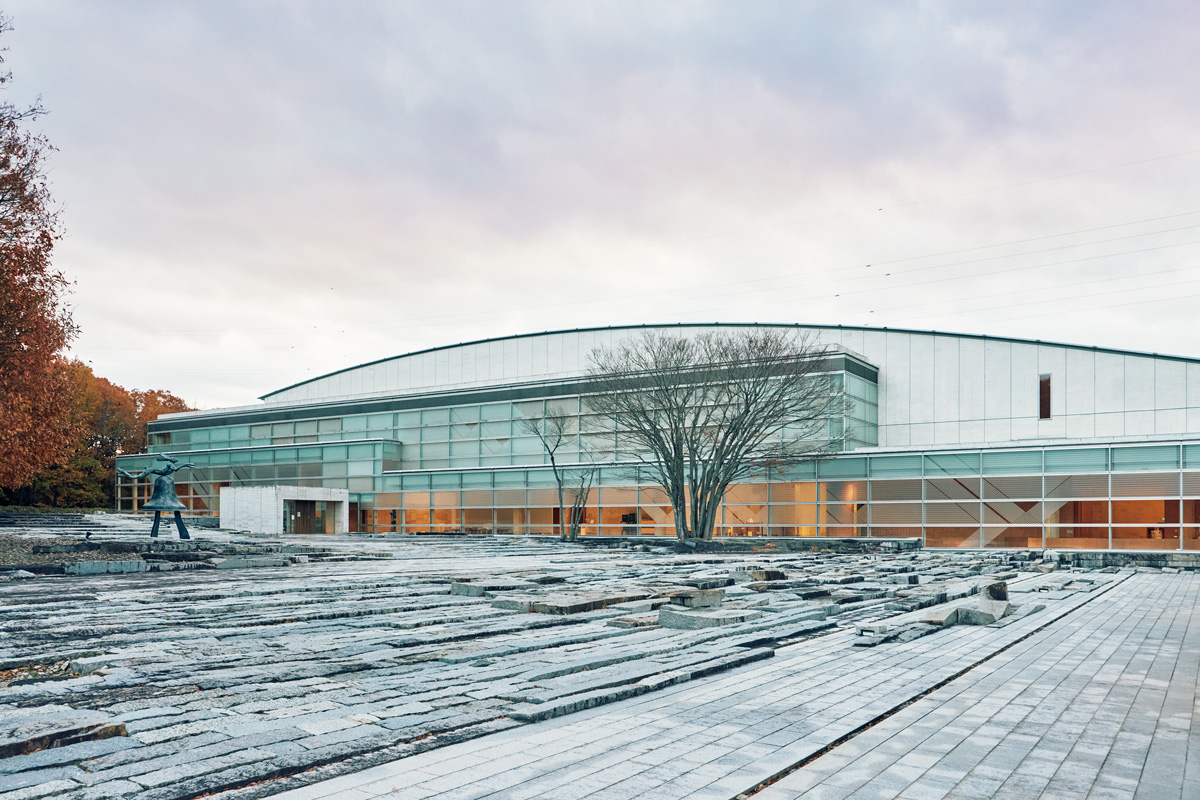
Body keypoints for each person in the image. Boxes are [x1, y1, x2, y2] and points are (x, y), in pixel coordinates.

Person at [117, 454, 196, 539]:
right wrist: (185, 465)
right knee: (138, 476)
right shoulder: (170, 464)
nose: (175, 460)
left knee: (138, 476)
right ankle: (124, 473)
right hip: (155, 471)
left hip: (161, 475)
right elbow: (176, 470)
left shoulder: (169, 470)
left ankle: (125, 474)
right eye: (174, 459)